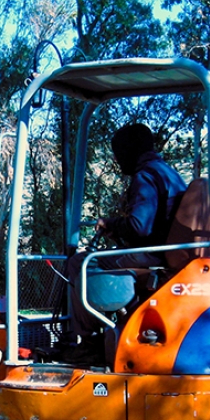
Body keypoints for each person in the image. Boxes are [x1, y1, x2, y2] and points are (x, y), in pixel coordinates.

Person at [66, 122, 187, 344]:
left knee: (80, 263)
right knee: (102, 259)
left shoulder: (145, 176)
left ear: (130, 151)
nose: (116, 160)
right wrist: (120, 233)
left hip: (153, 256)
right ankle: (119, 324)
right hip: (167, 249)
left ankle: (87, 340)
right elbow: (154, 225)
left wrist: (110, 223)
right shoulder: (167, 173)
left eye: (118, 154)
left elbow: (139, 227)